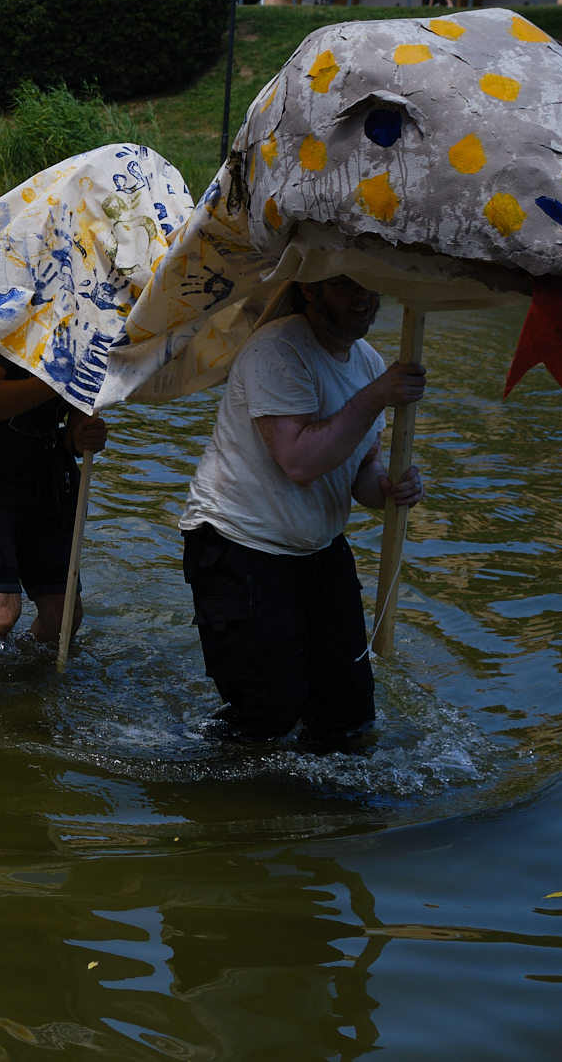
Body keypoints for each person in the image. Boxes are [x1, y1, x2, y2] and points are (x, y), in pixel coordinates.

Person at [178, 276, 425, 747]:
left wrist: (391, 488)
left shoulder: (369, 363)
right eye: (347, 285)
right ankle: (190, 772)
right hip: (238, 545)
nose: (365, 295)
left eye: (369, 286)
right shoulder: (276, 348)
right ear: (310, 289)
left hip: (319, 550)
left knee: (348, 713)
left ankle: (332, 811)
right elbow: (299, 462)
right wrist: (376, 395)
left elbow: (362, 471)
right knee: (268, 713)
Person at [0, 338, 109, 648]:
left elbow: (73, 430)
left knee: (63, 618)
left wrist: (83, 436)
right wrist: (60, 381)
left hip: (45, 482)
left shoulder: (92, 330)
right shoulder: (7, 310)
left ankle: (27, 682)